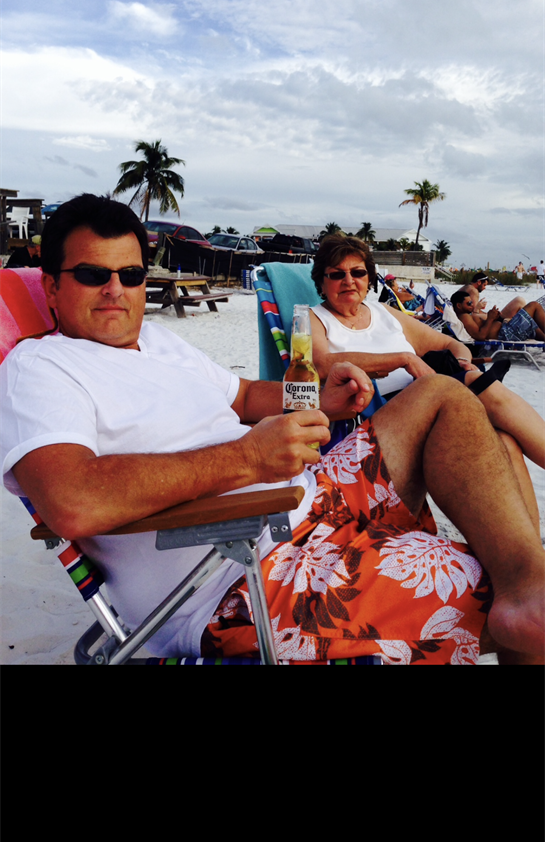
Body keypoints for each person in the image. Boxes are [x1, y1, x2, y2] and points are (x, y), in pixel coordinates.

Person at [1, 197, 544, 666]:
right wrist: (247, 460)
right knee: (493, 583)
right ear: (50, 286)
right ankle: (525, 593)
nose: (117, 290)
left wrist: (318, 398)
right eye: (95, 275)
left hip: (310, 501)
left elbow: (240, 397)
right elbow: (70, 500)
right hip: (239, 575)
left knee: (443, 396)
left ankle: (528, 583)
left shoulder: (158, 342)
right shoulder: (41, 367)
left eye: (133, 274)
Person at [309, 235, 545, 477]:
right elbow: (321, 364)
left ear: (368, 278)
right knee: (479, 387)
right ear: (322, 282)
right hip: (374, 415)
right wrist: (404, 358)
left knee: (506, 442)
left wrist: (463, 362)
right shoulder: (314, 318)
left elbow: (450, 344)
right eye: (337, 274)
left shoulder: (384, 312)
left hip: (427, 399)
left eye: (357, 273)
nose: (349, 281)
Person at [451, 287, 545, 345]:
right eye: (469, 303)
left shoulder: (467, 316)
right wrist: (490, 319)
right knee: (534, 305)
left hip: (506, 331)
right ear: (459, 305)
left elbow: (482, 327)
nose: (472, 304)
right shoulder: (464, 317)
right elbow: (480, 336)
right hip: (506, 334)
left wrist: (493, 318)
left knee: (532, 324)